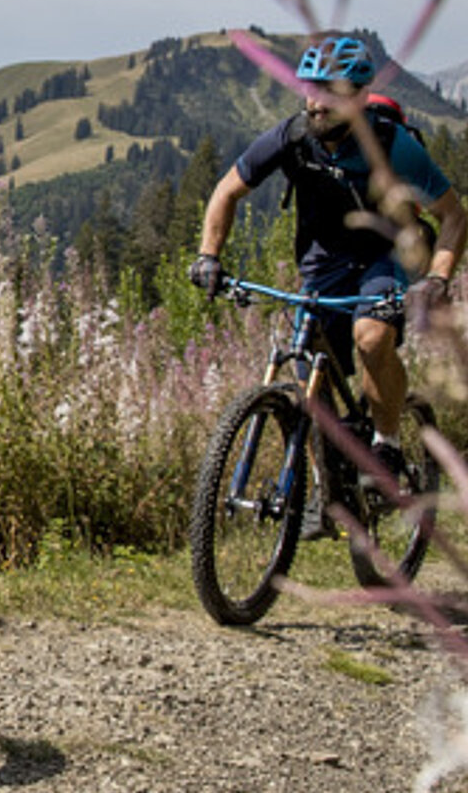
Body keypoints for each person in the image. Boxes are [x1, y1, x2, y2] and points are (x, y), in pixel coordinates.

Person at [189, 33, 465, 480]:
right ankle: (328, 487)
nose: (317, 105)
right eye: (311, 91)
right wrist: (208, 256)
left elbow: (453, 216)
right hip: (324, 261)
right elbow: (227, 191)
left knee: (372, 337)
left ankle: (388, 445)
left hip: (389, 253)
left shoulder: (394, 146)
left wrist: (436, 279)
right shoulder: (292, 136)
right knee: (305, 375)